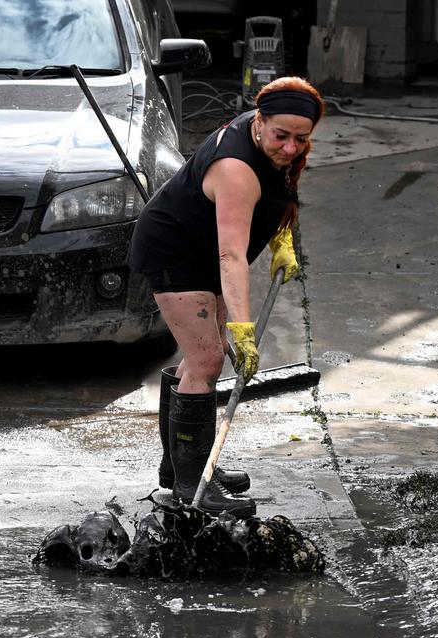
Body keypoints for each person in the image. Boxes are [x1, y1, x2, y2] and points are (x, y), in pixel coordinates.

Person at [128, 76, 324, 518]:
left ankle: (181, 466)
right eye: (281, 136)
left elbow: (279, 190)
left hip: (198, 248)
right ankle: (188, 486)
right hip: (176, 251)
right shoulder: (235, 167)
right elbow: (232, 257)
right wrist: (243, 330)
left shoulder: (269, 140)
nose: (290, 148)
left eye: (301, 139)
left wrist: (281, 239)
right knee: (207, 361)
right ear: (260, 120)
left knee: (198, 359)